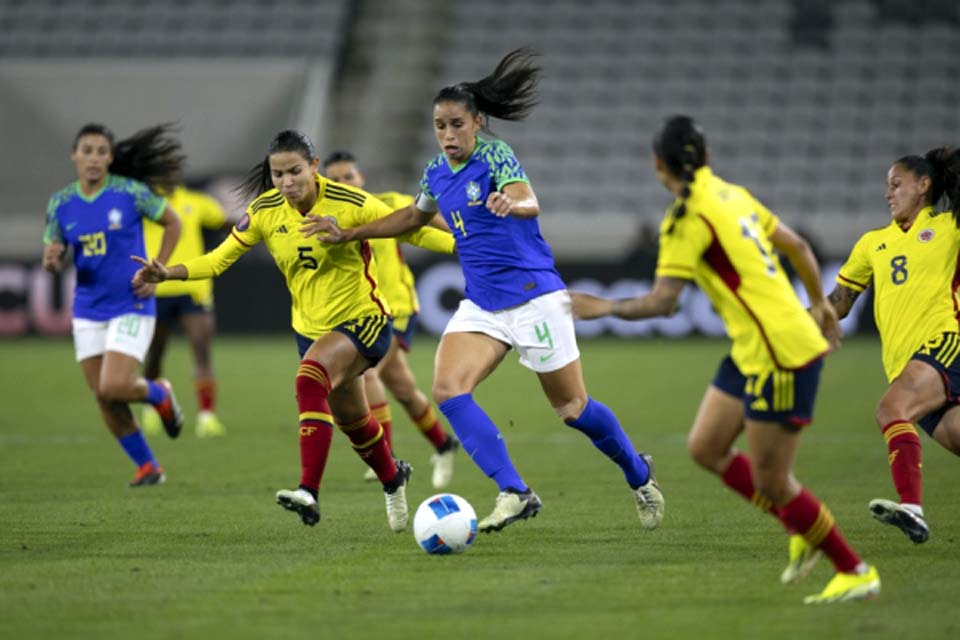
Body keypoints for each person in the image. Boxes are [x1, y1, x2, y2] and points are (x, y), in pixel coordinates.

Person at [301, 49, 665, 535]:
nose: (448, 136)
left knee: (573, 410)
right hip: (482, 304)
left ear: (477, 122)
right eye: (439, 126)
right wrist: (351, 233)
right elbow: (413, 217)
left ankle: (639, 475)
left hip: (534, 298)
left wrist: (508, 204)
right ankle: (514, 491)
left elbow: (528, 200)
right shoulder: (435, 172)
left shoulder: (495, 154)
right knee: (448, 390)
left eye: (456, 125)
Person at [570, 115, 880, 604]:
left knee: (772, 480)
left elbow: (664, 302)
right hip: (751, 348)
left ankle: (854, 569)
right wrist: (820, 302)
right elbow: (797, 246)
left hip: (780, 353)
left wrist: (599, 307)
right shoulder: (732, 194)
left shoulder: (685, 220)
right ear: (705, 155)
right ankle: (800, 525)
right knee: (705, 448)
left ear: (658, 166)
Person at [132, 130, 455, 531]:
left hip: (364, 320)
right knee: (354, 423)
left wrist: (464, 248)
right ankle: (393, 479)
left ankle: (309, 491)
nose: (286, 182)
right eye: (278, 174)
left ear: (314, 166)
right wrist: (169, 273)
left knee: (309, 380)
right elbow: (216, 261)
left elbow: (410, 228)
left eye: (294, 172)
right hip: (310, 330)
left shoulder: (350, 201)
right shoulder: (266, 210)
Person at [827, 147, 960, 544]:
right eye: (887, 186)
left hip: (946, 342)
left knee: (890, 409)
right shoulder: (872, 243)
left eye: (896, 184)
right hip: (907, 364)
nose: (888, 193)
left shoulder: (950, 228)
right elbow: (839, 304)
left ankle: (913, 510)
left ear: (923, 186)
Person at [42, 123, 186, 487]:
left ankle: (159, 393)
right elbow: (54, 254)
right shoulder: (60, 203)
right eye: (87, 150)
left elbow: (173, 222)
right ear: (74, 155)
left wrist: (159, 270)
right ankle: (148, 467)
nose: (93, 158)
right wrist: (52, 259)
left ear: (110, 158)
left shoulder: (130, 193)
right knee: (104, 397)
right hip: (88, 309)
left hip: (131, 302)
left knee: (114, 386)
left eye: (101, 151)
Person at [321, 150, 460, 488]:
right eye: (335, 180)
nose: (343, 183)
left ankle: (386, 454)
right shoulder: (327, 219)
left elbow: (429, 222)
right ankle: (444, 445)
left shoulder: (389, 203)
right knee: (404, 389)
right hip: (362, 313)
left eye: (348, 177)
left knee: (367, 375)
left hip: (395, 308)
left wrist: (462, 242)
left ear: (361, 178)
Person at [140, 184, 230, 438]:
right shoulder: (143, 204)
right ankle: (152, 408)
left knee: (202, 352)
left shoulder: (197, 202)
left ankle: (206, 416)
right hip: (156, 289)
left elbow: (227, 222)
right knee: (155, 354)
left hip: (193, 288)